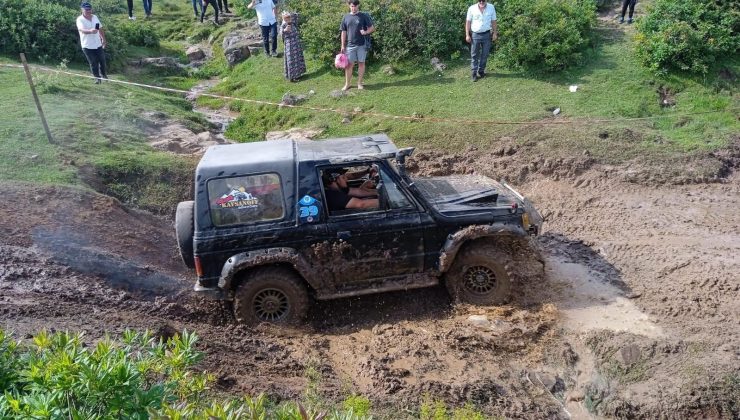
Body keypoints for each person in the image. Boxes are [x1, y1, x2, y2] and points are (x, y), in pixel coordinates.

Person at [340, 0, 374, 91]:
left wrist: (366, 32)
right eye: (351, 6)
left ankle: (359, 83)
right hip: (350, 45)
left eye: (355, 6)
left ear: (358, 6)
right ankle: (347, 84)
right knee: (349, 65)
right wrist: (342, 45)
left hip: (362, 45)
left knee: (361, 64)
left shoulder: (363, 16)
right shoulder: (346, 17)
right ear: (349, 6)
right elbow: (343, 32)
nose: (353, 8)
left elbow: (372, 28)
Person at [465, 0, 497, 82]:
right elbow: (468, 22)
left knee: (485, 54)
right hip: (475, 35)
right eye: (480, 0)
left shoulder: (491, 7)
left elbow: (493, 21)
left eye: (483, 0)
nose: (481, 2)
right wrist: (467, 35)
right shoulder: (471, 8)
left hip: (487, 34)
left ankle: (481, 71)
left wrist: (495, 33)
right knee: (474, 54)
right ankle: (474, 73)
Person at [76, 2, 108, 84]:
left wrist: (103, 39)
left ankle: (104, 75)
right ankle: (97, 78)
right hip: (87, 45)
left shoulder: (95, 17)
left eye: (89, 9)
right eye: (86, 9)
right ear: (82, 10)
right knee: (93, 62)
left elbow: (100, 28)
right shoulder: (79, 19)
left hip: (98, 44)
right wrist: (90, 31)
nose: (88, 11)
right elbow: (82, 30)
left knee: (102, 61)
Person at [281, 12, 306, 82]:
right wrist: (284, 30)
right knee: (291, 60)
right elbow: (281, 34)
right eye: (286, 18)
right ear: (283, 19)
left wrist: (289, 14)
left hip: (296, 43)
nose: (288, 19)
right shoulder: (283, 25)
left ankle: (298, 74)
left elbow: (296, 15)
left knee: (298, 58)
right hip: (289, 44)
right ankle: (292, 76)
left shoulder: (293, 23)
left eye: (289, 17)